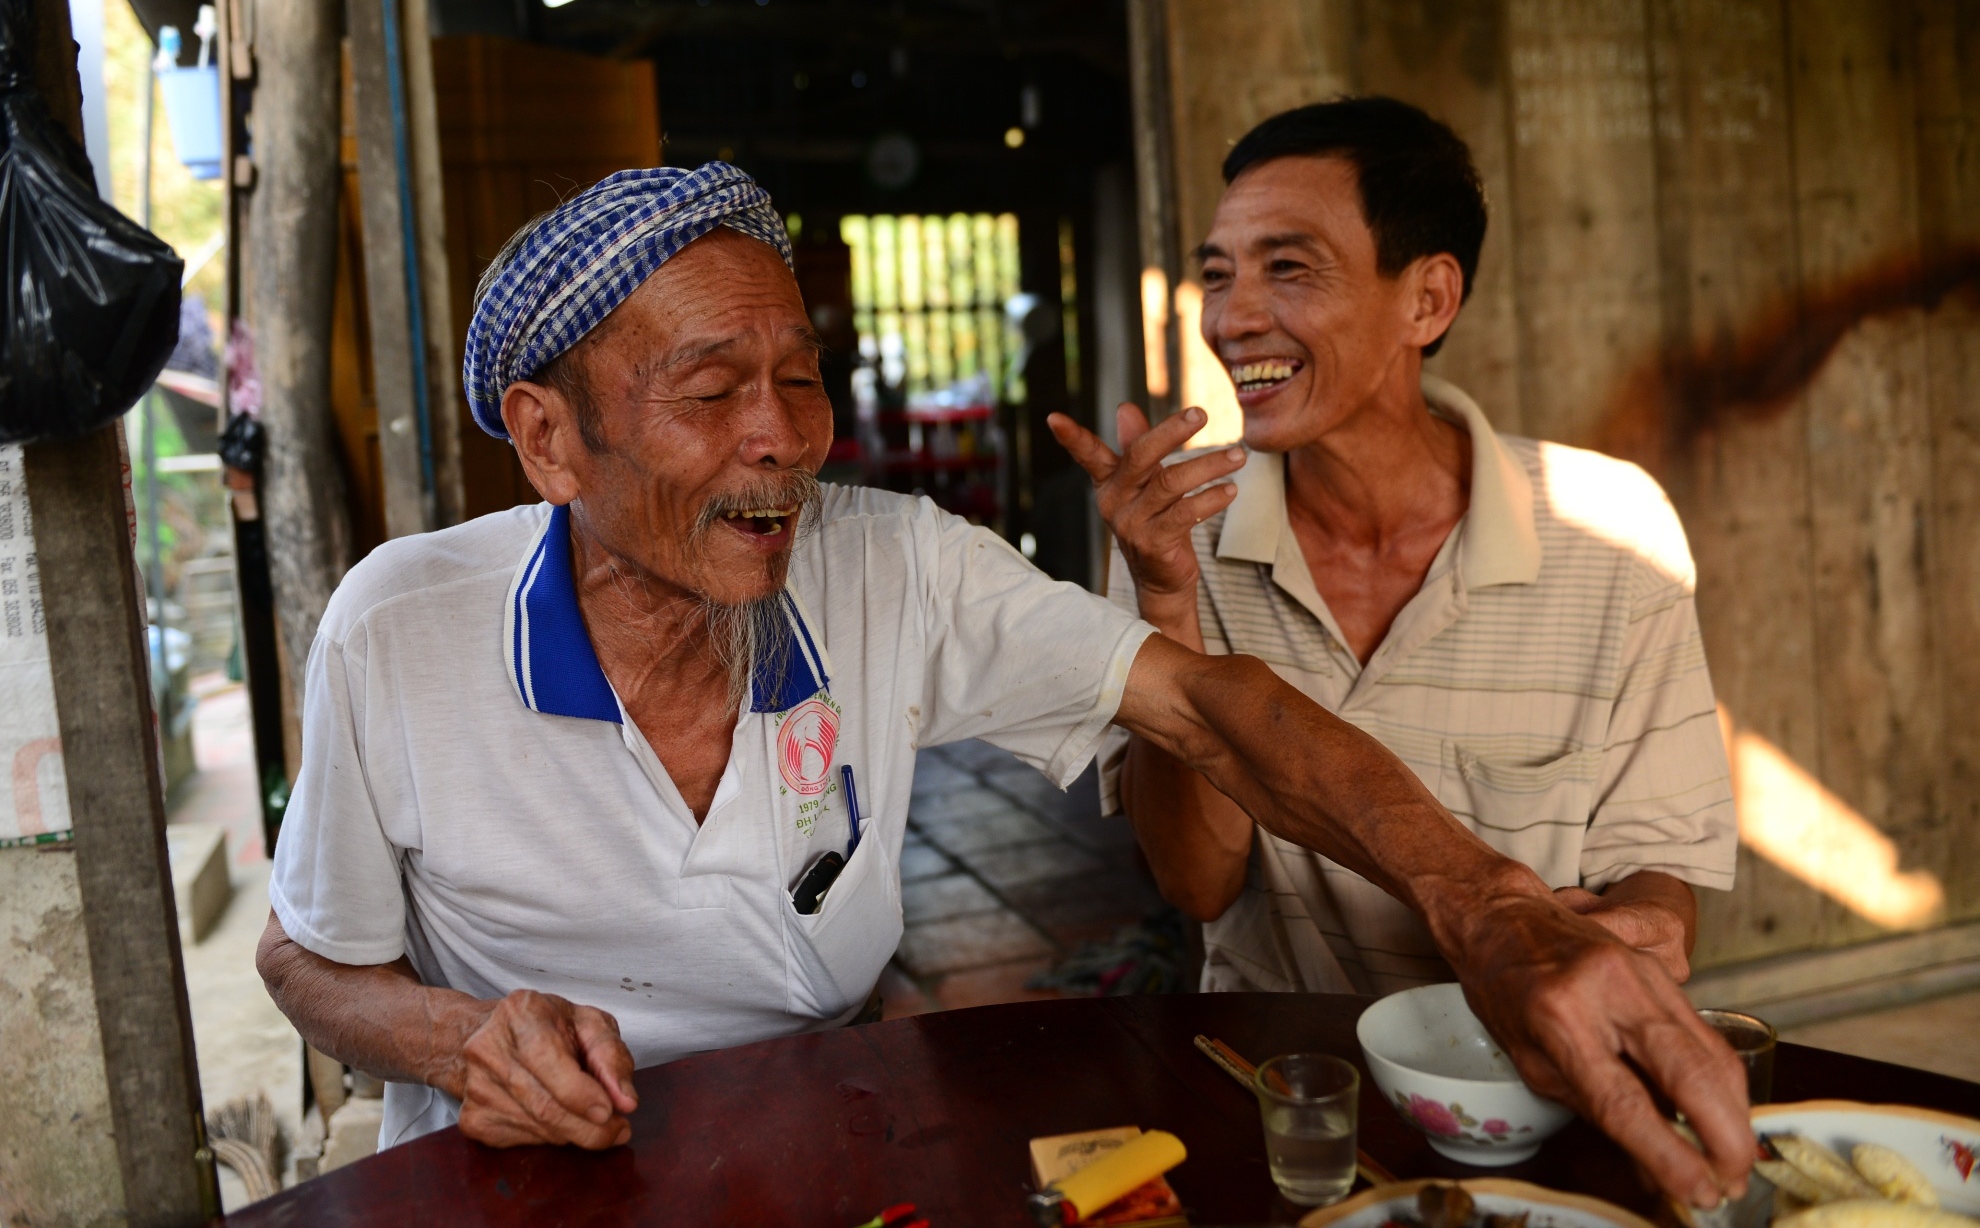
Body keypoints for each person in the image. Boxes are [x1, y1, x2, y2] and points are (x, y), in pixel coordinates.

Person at [256, 161, 1751, 1205]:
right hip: (526, 1182)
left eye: (801, 378)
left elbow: (1209, 709)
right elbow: (303, 963)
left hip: (820, 1143)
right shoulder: (401, 632)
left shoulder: (887, 562)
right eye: (713, 394)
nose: (786, 437)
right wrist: (462, 1041)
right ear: (551, 440)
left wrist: (1485, 903)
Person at [1053, 99, 1735, 1008]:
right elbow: (1195, 886)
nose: (1232, 318)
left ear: (1428, 298)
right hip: (1286, 1081)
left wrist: (1642, 926)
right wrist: (1166, 603)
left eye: (1288, 268)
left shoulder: (1613, 531)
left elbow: (1658, 867)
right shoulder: (1181, 529)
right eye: (1218, 276)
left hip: (1517, 1071)